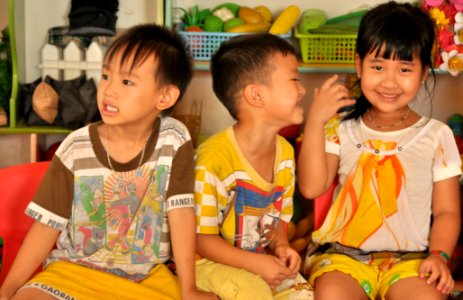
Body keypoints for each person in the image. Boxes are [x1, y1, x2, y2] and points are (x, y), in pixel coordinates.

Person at [0, 23, 217, 300]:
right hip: (72, 272)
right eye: (105, 76)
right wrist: (7, 291)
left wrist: (189, 289)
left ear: (165, 97)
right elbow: (46, 227)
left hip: (146, 278)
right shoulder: (75, 148)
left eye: (127, 81)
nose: (109, 90)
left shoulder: (174, 139)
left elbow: (181, 213)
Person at [297, 2, 461, 300]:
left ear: (424, 72)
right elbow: (311, 187)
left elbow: (447, 211)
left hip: (411, 261)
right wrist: (316, 122)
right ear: (359, 65)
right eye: (378, 67)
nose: (389, 81)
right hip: (341, 258)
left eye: (404, 69)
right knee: (331, 295)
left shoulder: (437, 135)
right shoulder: (340, 128)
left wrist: (439, 256)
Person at [193, 33, 313, 299]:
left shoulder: (284, 152)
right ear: (256, 95)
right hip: (206, 264)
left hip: (258, 260)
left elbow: (278, 218)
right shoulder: (212, 160)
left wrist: (281, 247)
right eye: (294, 79)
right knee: (254, 292)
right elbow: (202, 239)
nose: (302, 89)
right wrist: (257, 265)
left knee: (303, 294)